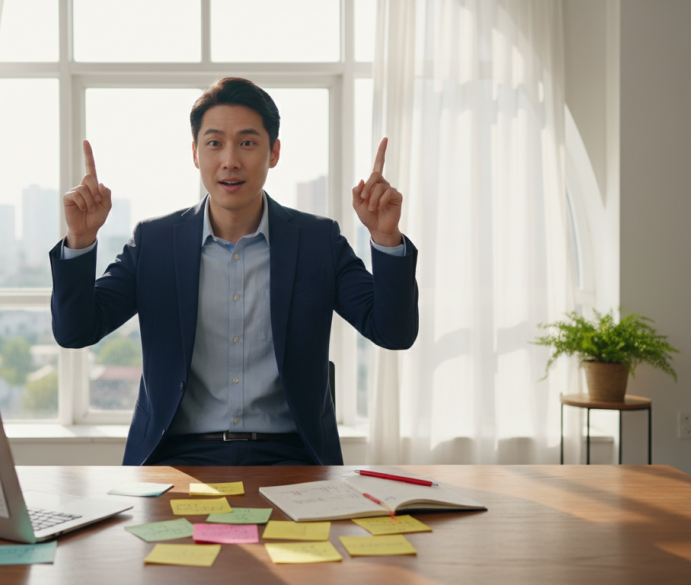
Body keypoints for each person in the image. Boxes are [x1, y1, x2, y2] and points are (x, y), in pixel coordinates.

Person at [50, 77, 417, 466]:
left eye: (247, 142)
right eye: (214, 143)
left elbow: (393, 332)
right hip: (177, 458)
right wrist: (80, 239)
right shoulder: (155, 244)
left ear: (273, 152)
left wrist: (386, 237)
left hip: (293, 457)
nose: (230, 160)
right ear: (195, 153)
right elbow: (77, 331)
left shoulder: (317, 241)